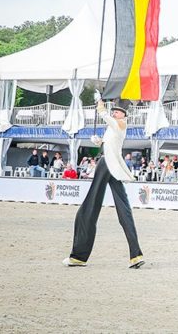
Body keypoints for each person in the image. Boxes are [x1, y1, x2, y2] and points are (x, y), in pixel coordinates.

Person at [63, 96, 144, 269]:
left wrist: (100, 105)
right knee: (124, 211)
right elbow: (110, 143)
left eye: (117, 112)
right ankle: (136, 255)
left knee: (89, 207)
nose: (115, 113)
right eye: (114, 111)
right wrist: (98, 141)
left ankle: (79, 256)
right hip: (112, 167)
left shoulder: (121, 124)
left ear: (123, 115)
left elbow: (111, 122)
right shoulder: (113, 126)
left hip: (107, 163)